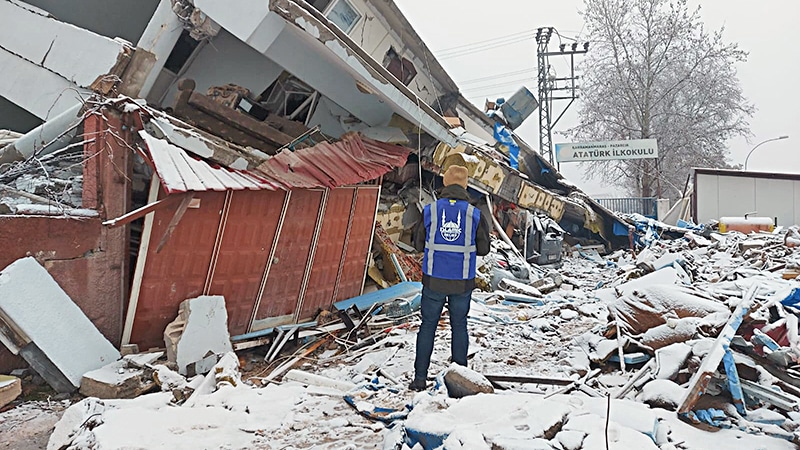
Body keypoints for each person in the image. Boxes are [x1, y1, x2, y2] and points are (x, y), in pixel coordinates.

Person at [409, 164, 490, 391]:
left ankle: (419, 378)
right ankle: (460, 380)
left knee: (428, 326)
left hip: (434, 279)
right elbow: (483, 249)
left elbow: (417, 243)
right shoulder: (475, 215)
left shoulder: (430, 211)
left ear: (445, 183)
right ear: (465, 185)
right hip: (462, 281)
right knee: (459, 325)